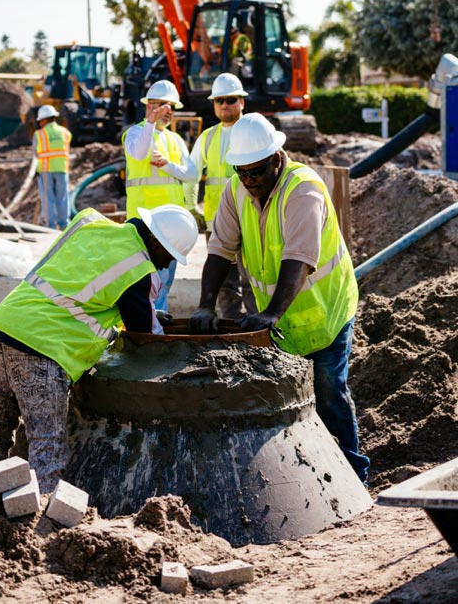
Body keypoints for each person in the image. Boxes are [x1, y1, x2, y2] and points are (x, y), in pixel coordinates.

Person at [189, 113, 369, 483]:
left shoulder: (302, 188)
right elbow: (220, 249)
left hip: (325, 311)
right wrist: (206, 303)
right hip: (283, 320)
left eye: (255, 172)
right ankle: (305, 476)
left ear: (276, 159)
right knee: (285, 396)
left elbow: (298, 258)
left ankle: (354, 474)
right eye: (241, 172)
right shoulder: (237, 190)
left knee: (328, 391)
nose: (248, 181)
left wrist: (271, 312)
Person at [0, 204, 199, 492]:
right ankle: (40, 515)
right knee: (47, 447)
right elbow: (147, 337)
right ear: (156, 242)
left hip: (5, 324)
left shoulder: (91, 223)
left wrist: (146, 311)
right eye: (169, 256)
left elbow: (80, 286)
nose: (167, 266)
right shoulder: (139, 271)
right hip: (42, 347)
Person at [184, 72, 257, 319]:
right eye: (219, 100)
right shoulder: (208, 137)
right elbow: (191, 173)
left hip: (251, 219)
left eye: (231, 99)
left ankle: (257, 327)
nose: (224, 105)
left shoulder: (254, 131)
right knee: (225, 282)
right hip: (217, 223)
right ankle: (233, 326)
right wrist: (191, 206)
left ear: (242, 102)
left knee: (254, 278)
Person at [123, 80, 197, 312]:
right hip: (143, 223)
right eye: (162, 105)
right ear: (148, 106)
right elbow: (139, 153)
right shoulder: (136, 133)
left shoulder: (175, 140)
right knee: (143, 282)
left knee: (164, 283)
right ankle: (147, 325)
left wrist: (166, 165)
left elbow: (191, 174)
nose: (167, 111)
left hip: (171, 227)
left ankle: (158, 324)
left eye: (171, 107)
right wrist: (150, 123)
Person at [33, 104, 72, 230]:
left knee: (47, 198)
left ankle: (50, 226)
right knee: (63, 197)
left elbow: (35, 154)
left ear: (45, 119)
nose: (39, 123)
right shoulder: (65, 132)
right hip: (62, 169)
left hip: (45, 170)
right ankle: (64, 225)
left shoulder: (39, 134)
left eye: (40, 120)